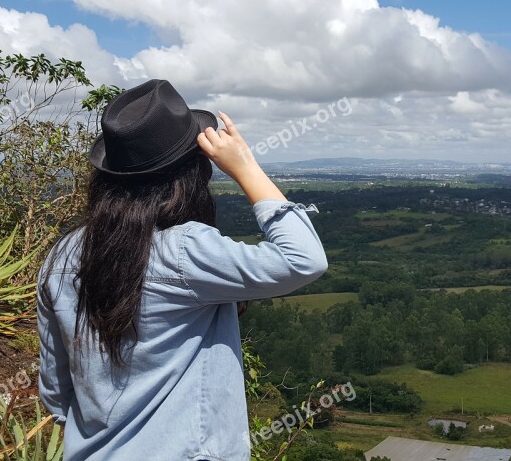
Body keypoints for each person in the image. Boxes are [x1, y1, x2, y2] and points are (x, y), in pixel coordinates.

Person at [36, 79, 328, 461]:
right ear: (192, 174)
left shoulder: (62, 256)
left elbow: (57, 393)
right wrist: (246, 168)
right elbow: (303, 259)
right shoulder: (184, 250)